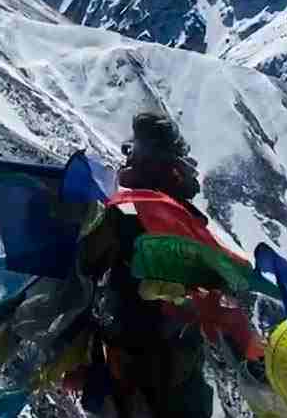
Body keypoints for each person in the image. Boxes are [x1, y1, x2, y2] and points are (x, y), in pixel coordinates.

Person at [77, 111, 215, 418]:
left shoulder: (124, 213)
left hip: (139, 356)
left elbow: (87, 263)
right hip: (177, 355)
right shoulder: (185, 215)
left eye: (136, 150)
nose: (128, 157)